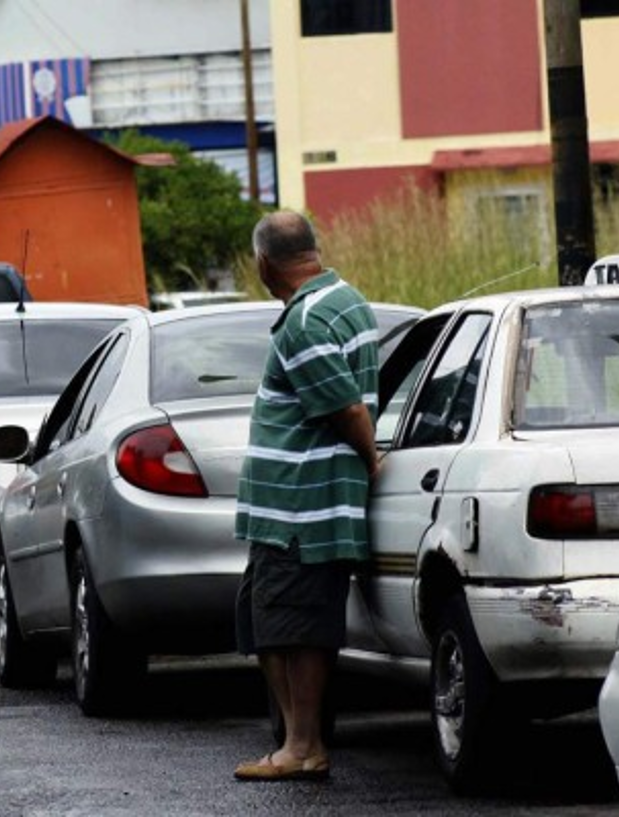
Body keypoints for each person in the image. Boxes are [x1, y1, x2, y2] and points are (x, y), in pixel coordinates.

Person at [232, 210, 380, 783]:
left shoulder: (304, 323)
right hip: (296, 506)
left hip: (300, 506)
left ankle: (301, 746)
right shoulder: (347, 300)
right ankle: (302, 742)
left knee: (295, 627)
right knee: (269, 621)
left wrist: (370, 461)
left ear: (265, 262)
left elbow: (346, 407)